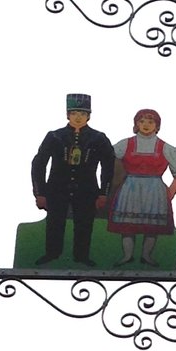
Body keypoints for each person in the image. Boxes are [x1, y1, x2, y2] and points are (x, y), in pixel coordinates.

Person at [31, 93, 116, 266]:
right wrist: (40, 192)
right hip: (57, 187)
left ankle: (82, 255)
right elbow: (39, 163)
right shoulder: (55, 136)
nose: (78, 117)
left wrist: (103, 193)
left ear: (89, 116)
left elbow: (108, 166)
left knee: (84, 223)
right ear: (68, 114)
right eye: (75, 113)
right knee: (55, 221)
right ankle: (52, 253)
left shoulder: (98, 138)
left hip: (86, 188)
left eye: (83, 114)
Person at [107, 109, 176, 266]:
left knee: (152, 227)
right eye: (142, 121)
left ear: (157, 126)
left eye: (151, 122)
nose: (146, 125)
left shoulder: (165, 148)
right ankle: (127, 255)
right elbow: (107, 157)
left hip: (154, 190)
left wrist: (169, 194)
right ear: (136, 124)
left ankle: (146, 255)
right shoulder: (125, 144)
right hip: (130, 188)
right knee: (127, 226)